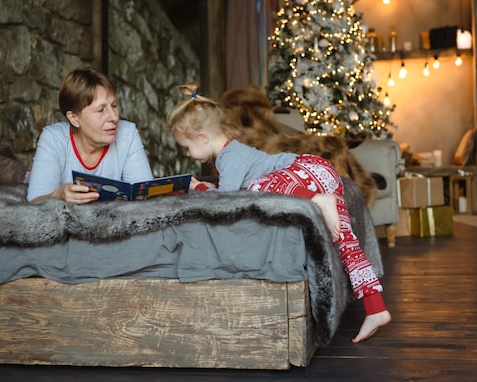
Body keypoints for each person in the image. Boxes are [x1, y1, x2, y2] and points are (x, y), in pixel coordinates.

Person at [166, 83, 391, 343]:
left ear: (203, 137)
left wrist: (199, 190)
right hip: (320, 174)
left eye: (186, 147)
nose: (188, 154)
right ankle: (376, 308)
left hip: (307, 174)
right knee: (345, 241)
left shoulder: (229, 157)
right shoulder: (235, 154)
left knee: (256, 188)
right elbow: (227, 190)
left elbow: (225, 201)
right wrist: (204, 185)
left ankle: (319, 200)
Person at [26, 68, 153, 203]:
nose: (114, 117)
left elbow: (146, 197)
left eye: (114, 105)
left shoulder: (128, 133)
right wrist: (58, 194)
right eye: (100, 110)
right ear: (74, 118)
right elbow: (35, 200)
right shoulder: (53, 138)